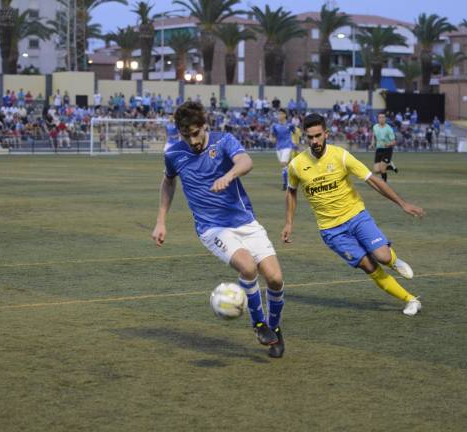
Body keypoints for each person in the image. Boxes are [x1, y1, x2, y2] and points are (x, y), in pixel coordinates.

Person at [152, 101, 287, 358]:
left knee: (275, 278)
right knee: (248, 267)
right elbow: (168, 183)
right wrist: (161, 221)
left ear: (205, 126)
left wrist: (229, 175)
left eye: (195, 133)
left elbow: (246, 161)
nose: (192, 140)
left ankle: (275, 327)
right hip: (212, 228)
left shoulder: (223, 141)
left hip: (245, 222)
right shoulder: (174, 154)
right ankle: (259, 324)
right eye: (185, 135)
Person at [282, 113, 425, 316]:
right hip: (331, 231)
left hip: (356, 216)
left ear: (326, 134)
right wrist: (289, 223)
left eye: (318, 135)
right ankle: (410, 299)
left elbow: (373, 180)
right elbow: (291, 191)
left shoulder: (341, 155)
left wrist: (402, 203)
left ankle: (394, 261)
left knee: (382, 256)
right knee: (369, 266)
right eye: (310, 137)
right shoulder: (296, 165)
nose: (314, 141)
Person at [270, 108, 296, 190]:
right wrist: (272, 139)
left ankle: (287, 184)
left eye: (281, 114)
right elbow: (272, 135)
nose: (279, 116)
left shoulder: (290, 125)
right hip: (278, 148)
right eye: (278, 114)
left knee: (283, 163)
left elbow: (296, 133)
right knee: (284, 167)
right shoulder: (275, 126)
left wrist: (295, 142)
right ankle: (287, 182)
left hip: (288, 146)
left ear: (285, 115)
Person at [371, 112, 398, 181]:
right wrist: (372, 143)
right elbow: (374, 136)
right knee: (376, 170)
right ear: (378, 119)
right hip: (379, 149)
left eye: (383, 117)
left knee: (382, 168)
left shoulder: (389, 128)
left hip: (387, 149)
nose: (381, 119)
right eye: (380, 117)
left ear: (385, 119)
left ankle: (384, 183)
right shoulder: (375, 127)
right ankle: (389, 166)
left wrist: (389, 144)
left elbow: (394, 141)